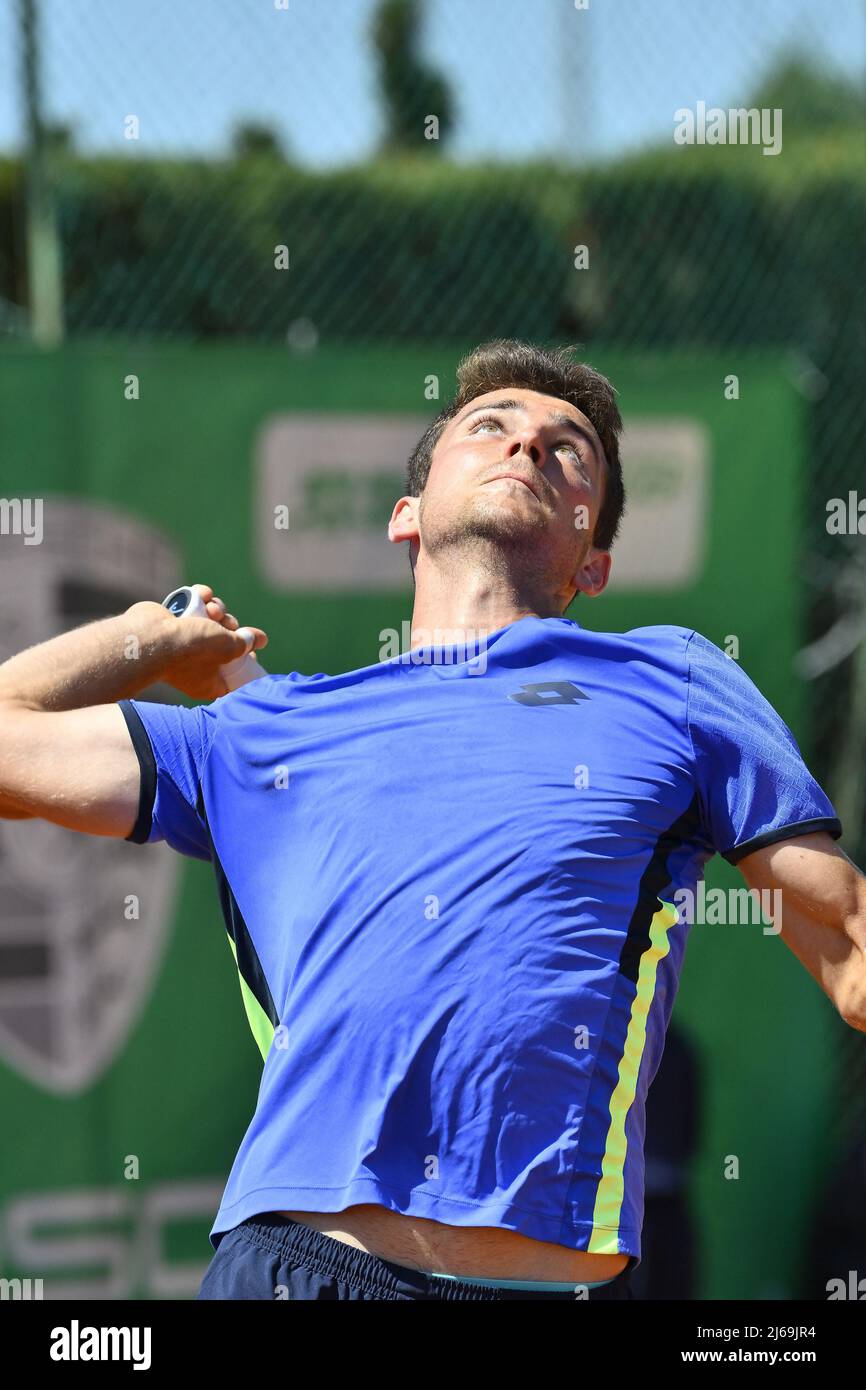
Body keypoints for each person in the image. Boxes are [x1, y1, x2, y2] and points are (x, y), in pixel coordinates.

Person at [0, 339, 862, 1302]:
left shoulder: (675, 683)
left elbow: (851, 947)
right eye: (490, 428)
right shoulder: (263, 728)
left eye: (569, 450)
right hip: (298, 1276)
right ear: (406, 515)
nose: (528, 446)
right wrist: (144, 638)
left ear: (596, 558)